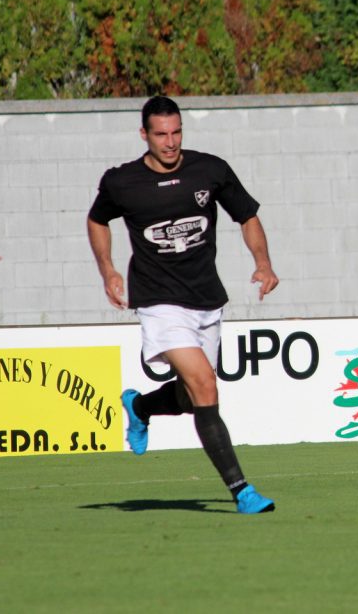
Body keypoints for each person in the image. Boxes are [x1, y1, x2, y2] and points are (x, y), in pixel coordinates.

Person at [87, 96, 280, 514]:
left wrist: (263, 263)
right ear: (144, 135)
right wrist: (109, 271)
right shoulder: (122, 182)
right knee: (206, 386)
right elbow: (97, 219)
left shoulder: (209, 169)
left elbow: (246, 216)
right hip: (158, 302)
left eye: (176, 133)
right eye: (161, 134)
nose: (170, 142)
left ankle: (139, 406)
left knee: (193, 398)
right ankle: (242, 491)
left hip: (207, 300)